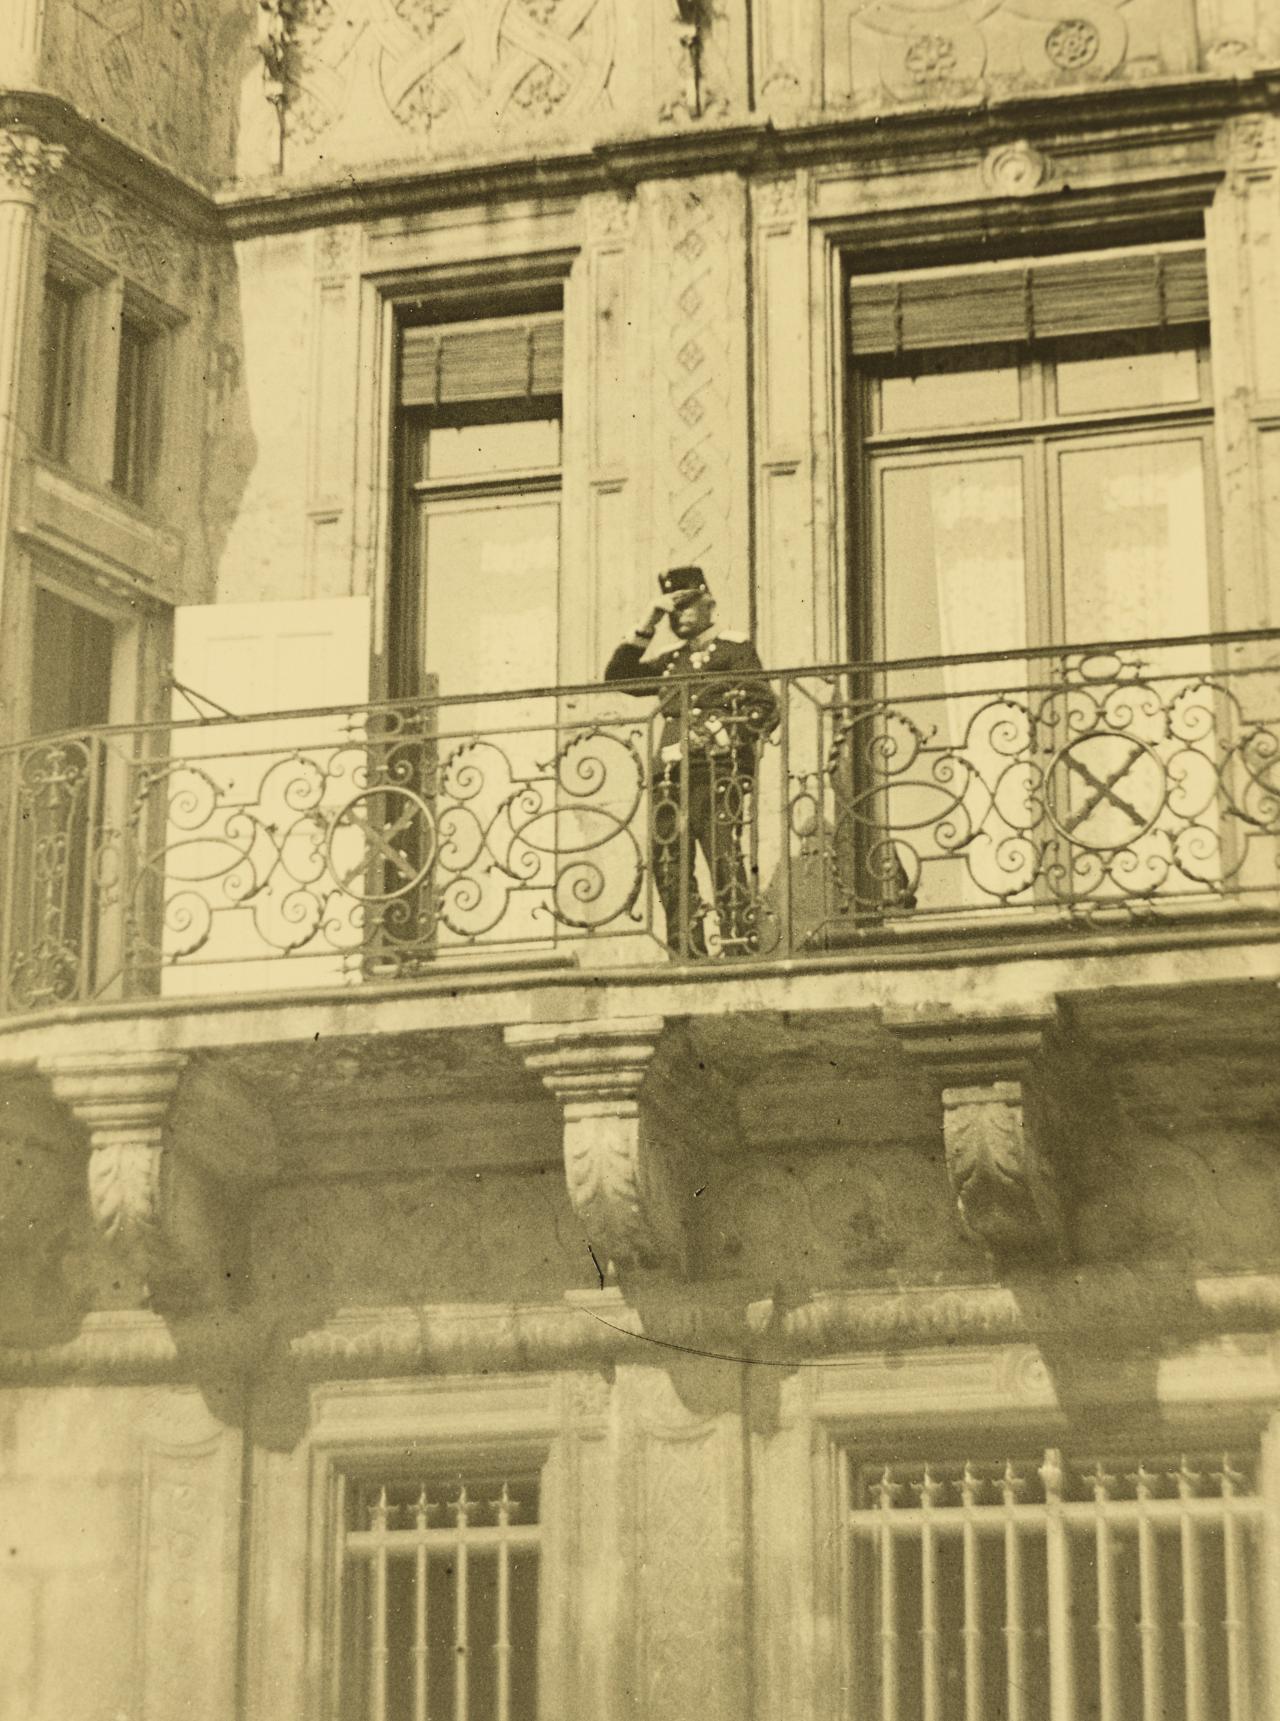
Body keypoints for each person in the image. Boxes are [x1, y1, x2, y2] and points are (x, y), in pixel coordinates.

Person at [605, 566, 779, 956]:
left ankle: (737, 944)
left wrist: (717, 735)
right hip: (670, 772)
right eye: (672, 610)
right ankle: (685, 948)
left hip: (716, 769)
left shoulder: (735, 649)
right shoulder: (670, 661)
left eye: (686, 606)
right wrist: (648, 618)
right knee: (668, 859)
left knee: (722, 854)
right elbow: (617, 676)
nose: (678, 616)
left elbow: (763, 704)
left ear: (708, 604)